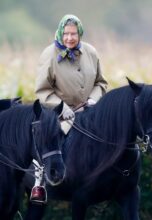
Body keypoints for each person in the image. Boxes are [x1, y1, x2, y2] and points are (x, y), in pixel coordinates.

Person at [32, 14, 108, 203]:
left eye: (74, 34)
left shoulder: (91, 52)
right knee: (52, 142)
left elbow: (101, 83)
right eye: (66, 34)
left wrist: (93, 99)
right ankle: (39, 184)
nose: (70, 38)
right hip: (59, 114)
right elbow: (42, 90)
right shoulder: (48, 54)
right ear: (60, 33)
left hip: (89, 111)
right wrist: (62, 106)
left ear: (80, 34)